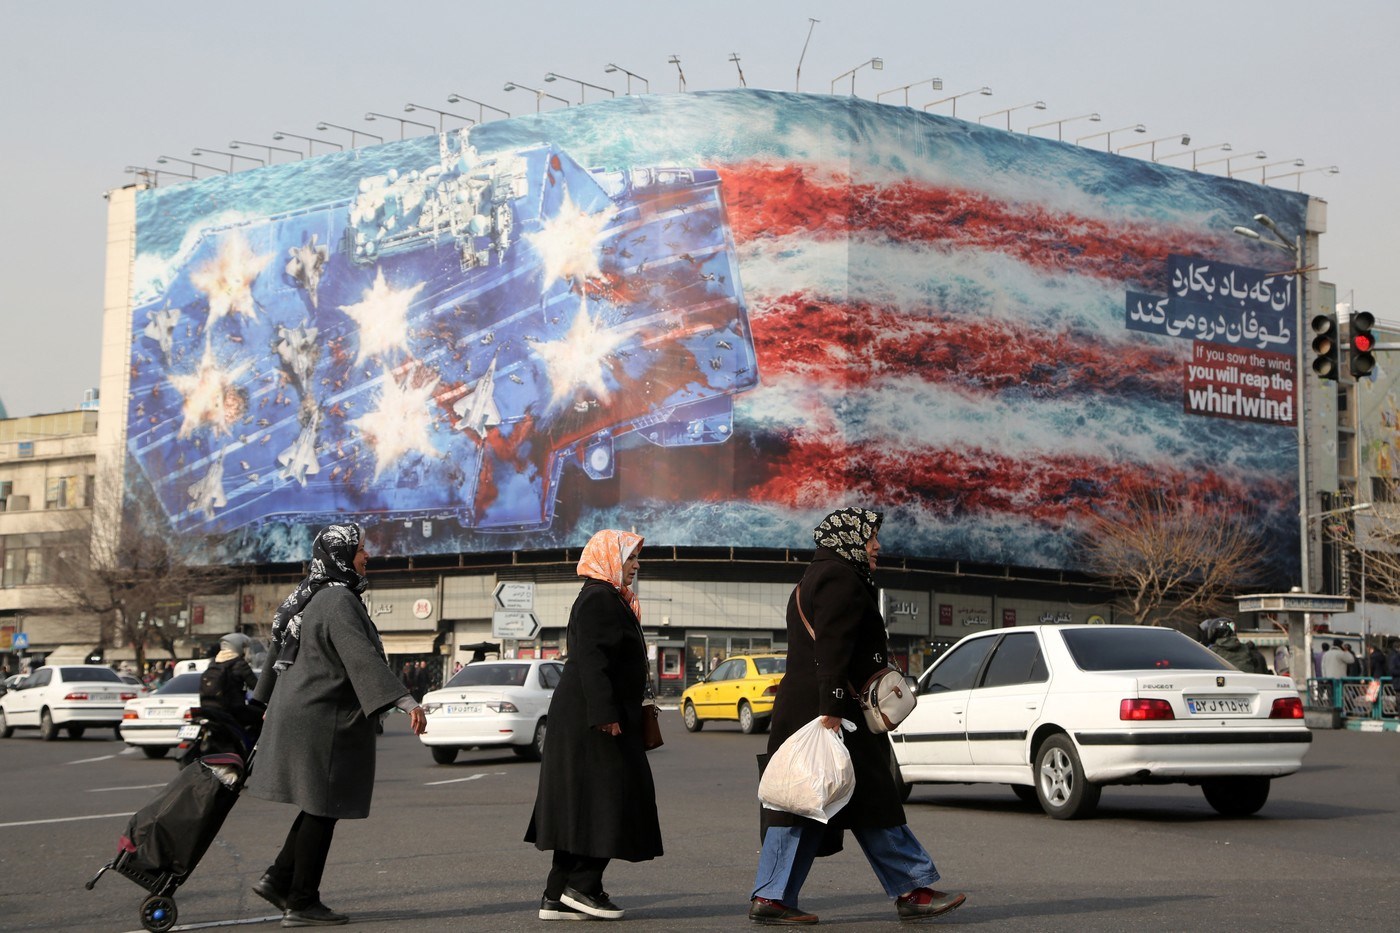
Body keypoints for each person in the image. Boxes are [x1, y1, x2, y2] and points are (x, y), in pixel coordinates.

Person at [750, 508, 965, 925]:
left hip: (813, 711)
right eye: (870, 538)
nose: (877, 546)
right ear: (848, 539)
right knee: (865, 802)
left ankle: (772, 896)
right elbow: (832, 647)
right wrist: (831, 708)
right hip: (833, 716)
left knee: (807, 803)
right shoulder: (839, 578)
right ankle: (913, 890)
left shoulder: (816, 576)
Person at [247, 523, 427, 927]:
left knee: (318, 805)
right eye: (362, 549)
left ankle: (279, 879)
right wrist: (404, 699)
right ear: (342, 555)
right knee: (323, 806)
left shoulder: (307, 595)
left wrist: (264, 700)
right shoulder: (337, 599)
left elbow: (278, 652)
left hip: (301, 710)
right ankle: (301, 900)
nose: (368, 556)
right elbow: (359, 656)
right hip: (322, 716)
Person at [525, 529, 662, 922]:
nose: (635, 566)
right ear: (608, 559)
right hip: (597, 720)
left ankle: (556, 896)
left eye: (637, 559)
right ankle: (582, 886)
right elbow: (592, 660)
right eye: (630, 558)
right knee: (608, 801)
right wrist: (605, 715)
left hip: (592, 717)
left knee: (580, 805)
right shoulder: (600, 599)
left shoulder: (608, 598)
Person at [199, 632, 262, 738]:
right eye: (244, 647)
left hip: (209, 708)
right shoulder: (240, 664)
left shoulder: (213, 663)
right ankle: (253, 748)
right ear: (238, 646)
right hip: (233, 709)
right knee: (261, 716)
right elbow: (257, 687)